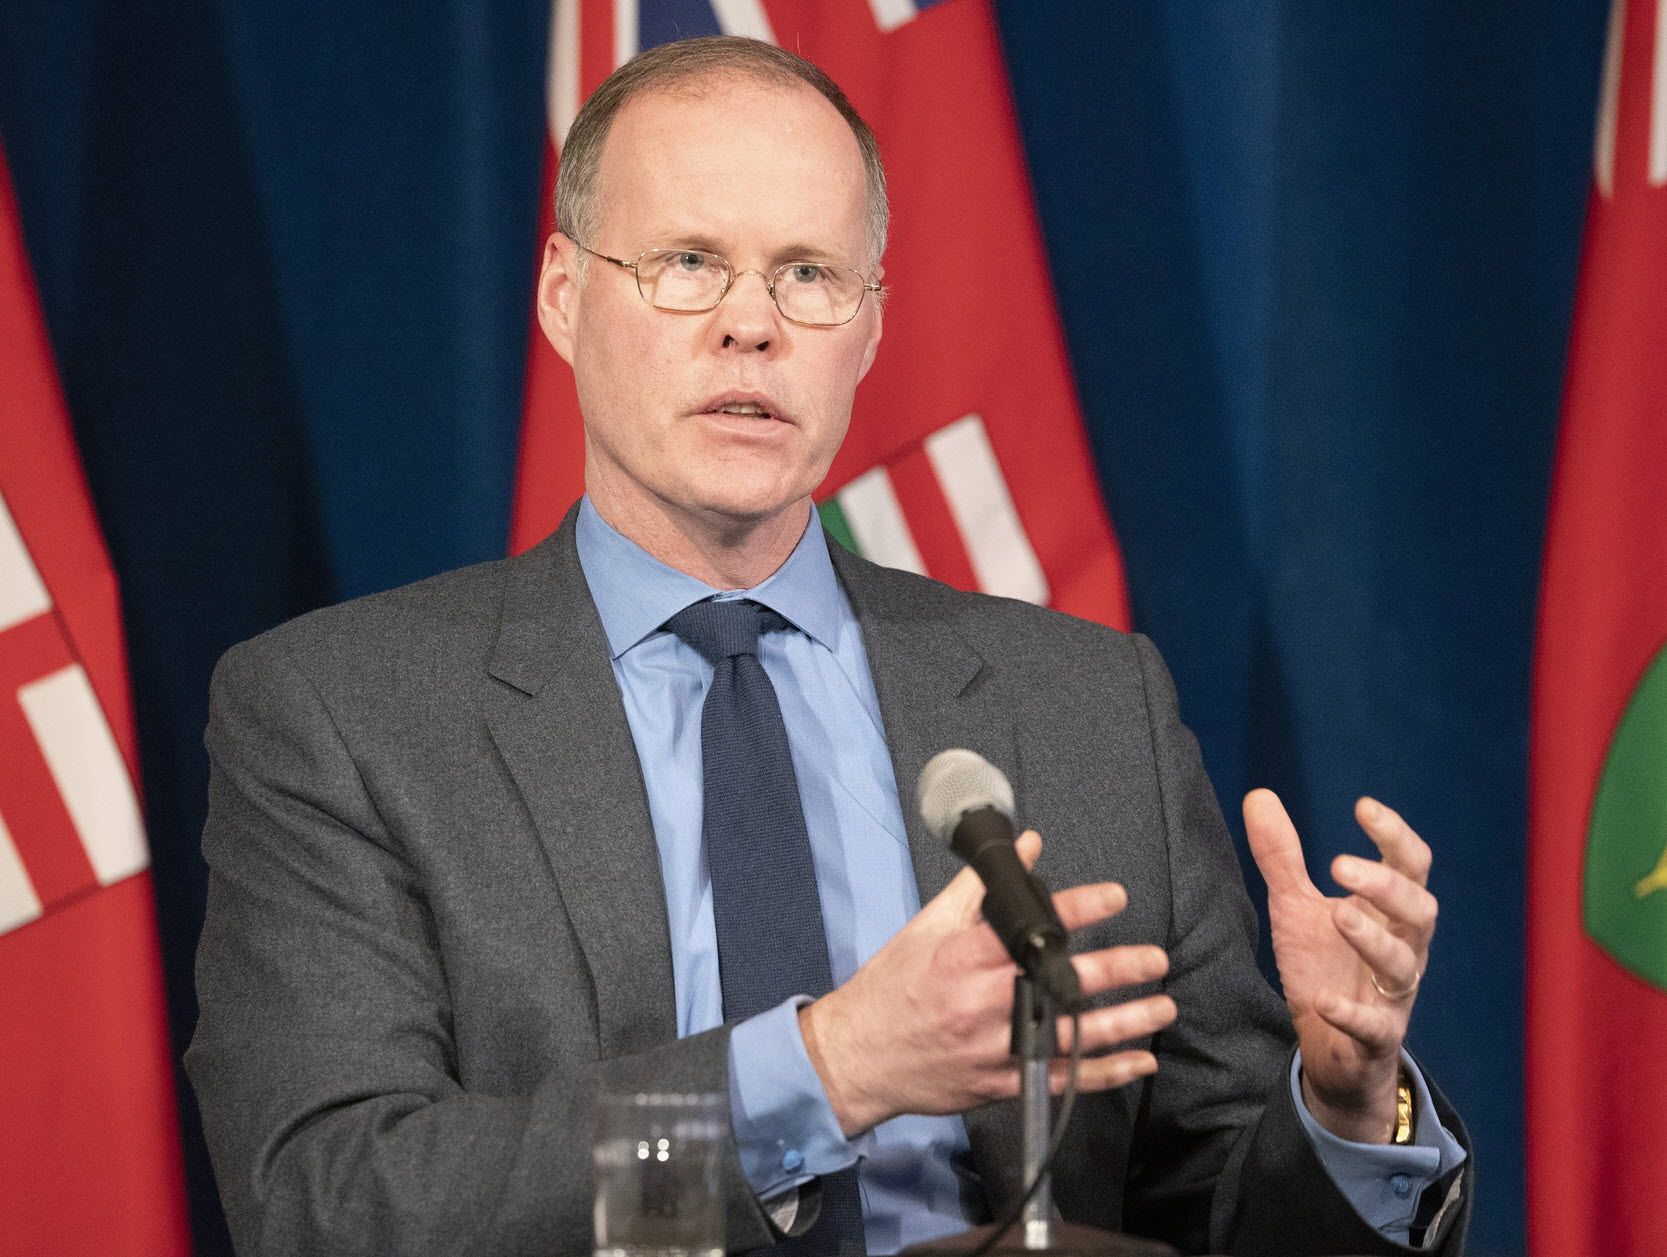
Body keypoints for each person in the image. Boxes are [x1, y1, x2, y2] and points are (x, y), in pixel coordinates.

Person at [186, 36, 1469, 1257]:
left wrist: (1345, 1107)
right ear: (564, 298)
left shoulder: (1085, 707)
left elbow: (1217, 1208)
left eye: (807, 274)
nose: (752, 325)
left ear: (866, 327)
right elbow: (333, 1203)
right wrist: (823, 1074)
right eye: (687, 261)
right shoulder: (345, 717)